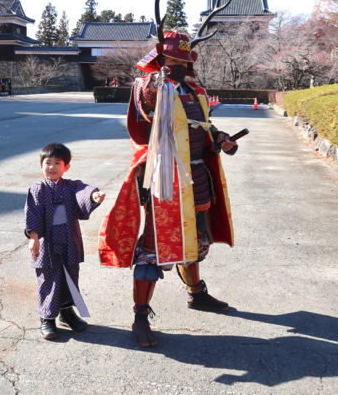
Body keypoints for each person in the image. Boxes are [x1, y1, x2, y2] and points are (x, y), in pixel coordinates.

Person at [98, 31, 239, 348]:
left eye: (183, 60)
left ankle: (196, 294)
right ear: (160, 59)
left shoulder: (196, 90)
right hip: (165, 180)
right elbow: (149, 103)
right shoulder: (150, 86)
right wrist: (158, 78)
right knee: (154, 247)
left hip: (199, 177)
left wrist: (221, 141)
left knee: (196, 239)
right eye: (173, 59)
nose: (179, 65)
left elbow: (205, 128)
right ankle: (139, 316)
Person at [25, 143, 105, 340]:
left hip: (69, 240)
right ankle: (47, 318)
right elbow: (32, 214)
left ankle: (67, 313)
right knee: (48, 279)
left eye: (57, 163)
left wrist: (94, 195)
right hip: (47, 243)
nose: (52, 167)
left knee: (70, 276)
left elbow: (83, 192)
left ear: (66, 167)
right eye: (48, 162)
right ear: (41, 165)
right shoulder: (37, 190)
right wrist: (33, 238)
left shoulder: (71, 186)